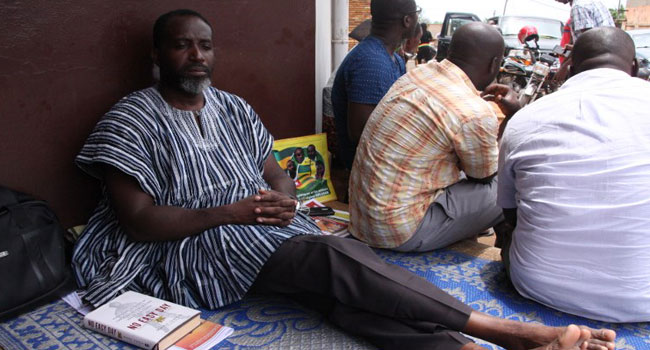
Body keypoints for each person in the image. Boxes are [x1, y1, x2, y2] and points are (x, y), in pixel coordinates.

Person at [72, 9, 617, 350]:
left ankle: (461, 348)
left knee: (342, 294)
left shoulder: (232, 107)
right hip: (189, 246)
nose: (196, 56)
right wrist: (233, 213)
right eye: (181, 45)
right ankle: (508, 333)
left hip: (257, 231)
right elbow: (139, 224)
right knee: (333, 260)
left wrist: (282, 203)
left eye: (205, 45)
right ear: (157, 55)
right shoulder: (131, 118)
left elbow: (278, 176)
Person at [498, 26, 650, 323]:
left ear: (570, 68)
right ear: (633, 68)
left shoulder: (525, 119)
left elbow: (510, 216)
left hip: (539, 286)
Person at [349, 22, 514, 252]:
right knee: (512, 182)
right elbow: (485, 176)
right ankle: (506, 252)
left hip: (362, 221)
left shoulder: (418, 74)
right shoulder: (474, 110)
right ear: (495, 63)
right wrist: (513, 117)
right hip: (399, 232)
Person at [331, 0, 418, 171]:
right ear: (407, 20)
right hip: (371, 173)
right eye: (417, 12)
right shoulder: (371, 62)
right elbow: (360, 133)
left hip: (385, 165)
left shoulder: (394, 59)